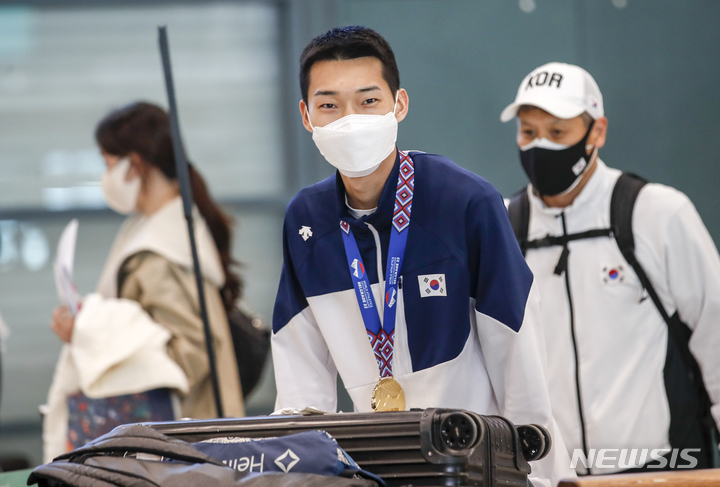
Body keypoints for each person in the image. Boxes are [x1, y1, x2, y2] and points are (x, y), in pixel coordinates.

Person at [271, 26, 574, 486]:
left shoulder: (466, 201)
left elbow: (517, 353)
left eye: (368, 100)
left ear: (400, 104)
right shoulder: (305, 221)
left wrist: (541, 476)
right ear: (306, 116)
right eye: (328, 104)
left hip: (477, 466)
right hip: (373, 470)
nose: (348, 118)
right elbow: (301, 376)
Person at [501, 62, 720, 474]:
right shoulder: (505, 226)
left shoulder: (657, 212)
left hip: (662, 467)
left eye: (557, 132)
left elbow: (716, 333)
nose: (539, 146)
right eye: (529, 132)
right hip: (552, 475)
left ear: (596, 132)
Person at [44, 102, 243, 461]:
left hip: (180, 448)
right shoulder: (159, 228)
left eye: (107, 165)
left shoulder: (161, 251)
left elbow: (189, 355)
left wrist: (87, 334)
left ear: (133, 165)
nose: (104, 179)